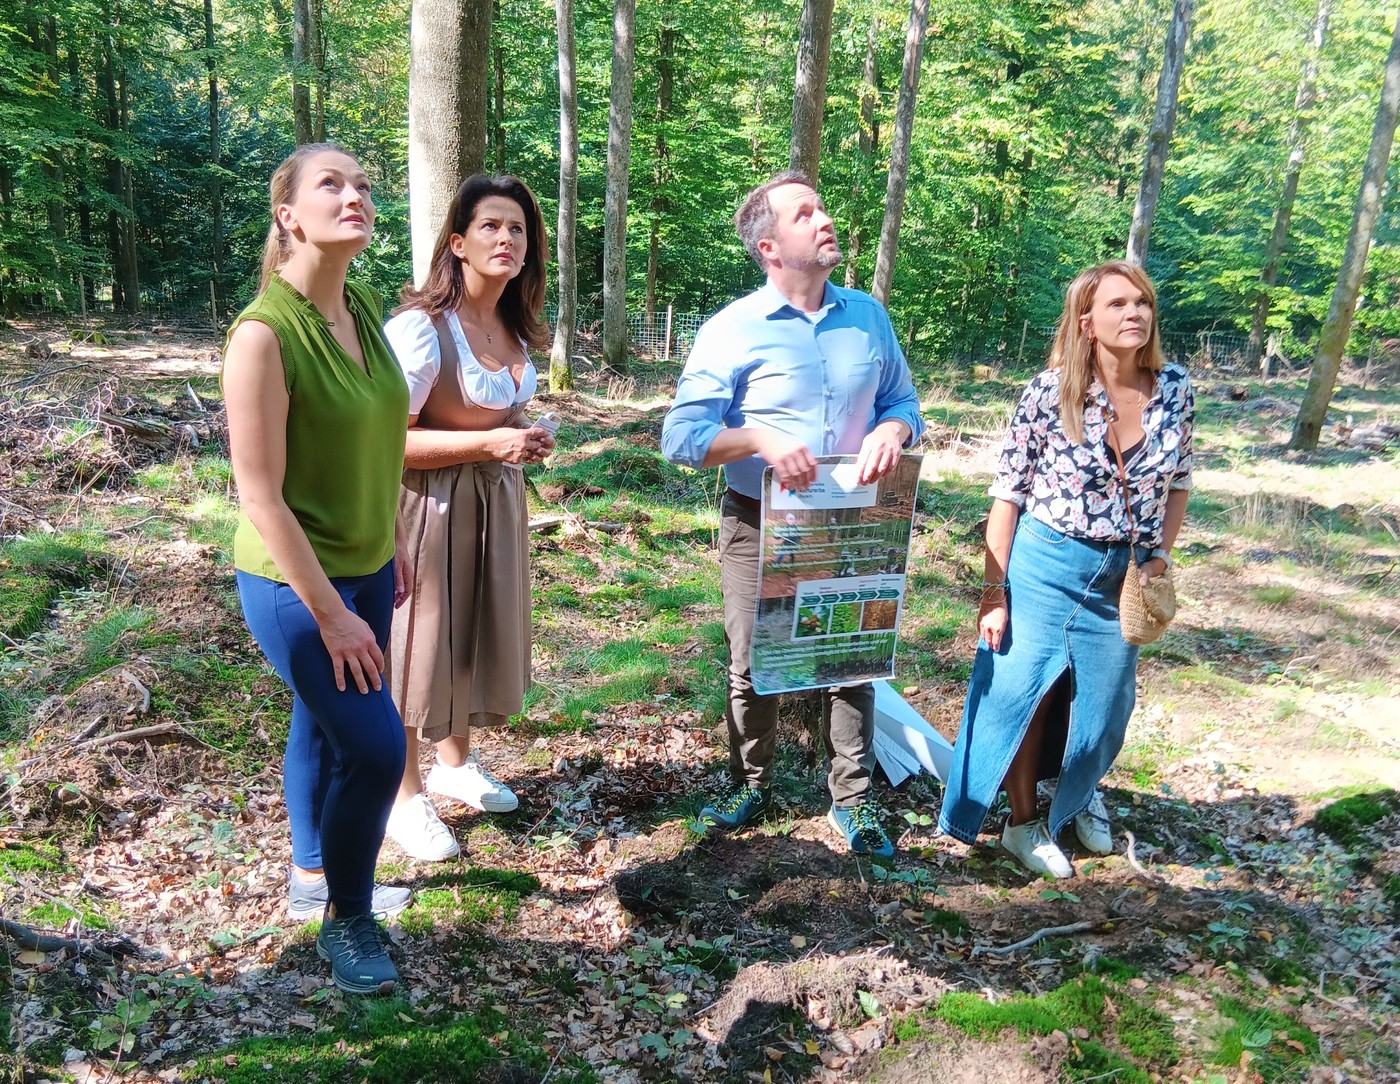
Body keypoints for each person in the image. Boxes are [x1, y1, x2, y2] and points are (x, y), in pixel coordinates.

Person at [661, 171, 924, 858]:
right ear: (770, 246)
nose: (825, 219)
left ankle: (854, 802)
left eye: (823, 207)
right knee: (752, 663)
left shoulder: (868, 316)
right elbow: (681, 437)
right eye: (806, 213)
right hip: (759, 520)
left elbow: (905, 402)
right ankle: (750, 783)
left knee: (852, 655)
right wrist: (759, 439)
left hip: (856, 520)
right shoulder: (732, 329)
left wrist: (892, 433)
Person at [223, 143, 411, 994]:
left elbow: (378, 438)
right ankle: (348, 919)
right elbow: (261, 497)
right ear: (288, 214)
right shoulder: (264, 336)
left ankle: (310, 876)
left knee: (321, 724)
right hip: (295, 583)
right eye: (331, 185)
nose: (355, 196)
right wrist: (333, 613)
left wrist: (392, 540)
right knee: (375, 749)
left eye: (364, 185)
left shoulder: (363, 305)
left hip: (370, 564)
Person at [936, 260, 1193, 878]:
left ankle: (1079, 794)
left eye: (1142, 303)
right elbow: (1009, 493)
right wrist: (993, 591)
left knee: (1105, 707)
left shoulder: (1176, 389)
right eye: (1117, 305)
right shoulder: (1050, 392)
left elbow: (1180, 481)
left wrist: (1161, 554)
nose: (1135, 314)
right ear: (1086, 322)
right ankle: (1022, 824)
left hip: (1122, 574)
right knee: (1026, 695)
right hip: (1046, 563)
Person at [380, 175, 554, 862]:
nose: (507, 239)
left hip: (492, 505)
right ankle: (402, 797)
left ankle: (455, 765)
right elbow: (385, 442)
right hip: (424, 510)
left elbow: (495, 420)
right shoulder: (420, 332)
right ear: (457, 242)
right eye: (490, 226)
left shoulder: (514, 327)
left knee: (470, 635)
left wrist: (523, 436)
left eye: (517, 229)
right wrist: (488, 443)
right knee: (417, 648)